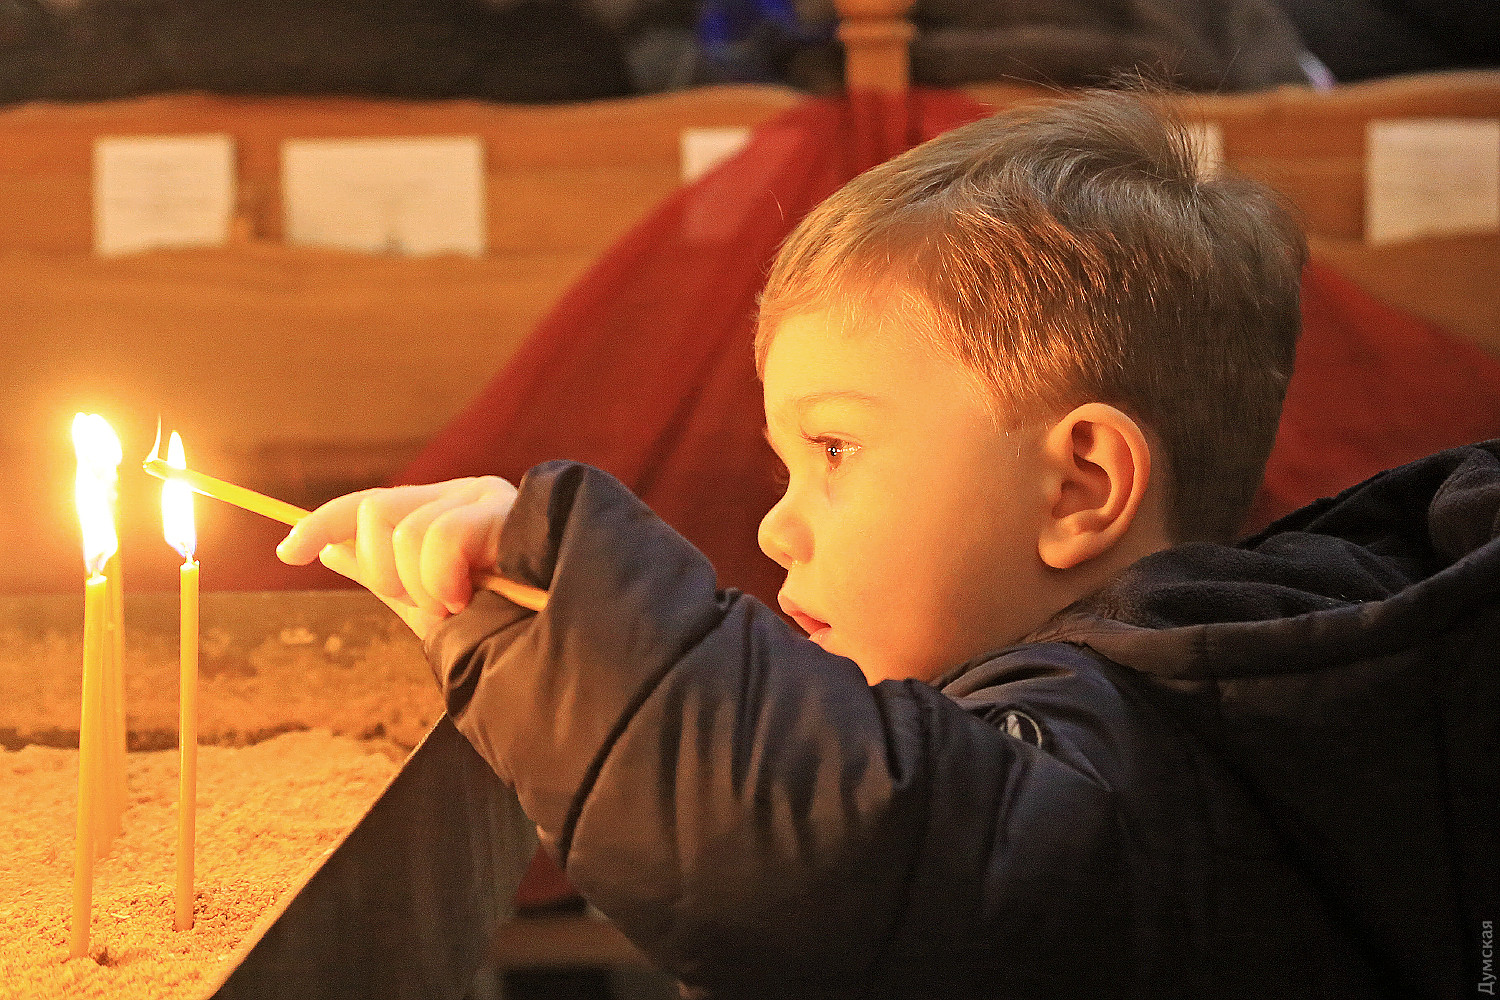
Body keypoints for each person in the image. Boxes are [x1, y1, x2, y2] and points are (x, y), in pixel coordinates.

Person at [277, 90, 1499, 998]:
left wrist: (567, 625)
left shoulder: (1132, 770)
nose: (776, 524)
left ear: (1079, 485)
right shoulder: (1258, 686)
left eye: (836, 448)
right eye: (787, 462)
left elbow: (837, 848)